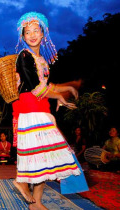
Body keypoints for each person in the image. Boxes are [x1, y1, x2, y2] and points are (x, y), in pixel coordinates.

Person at [11, 12, 87, 209]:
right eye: (27, 32)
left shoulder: (41, 60)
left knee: (44, 159)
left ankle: (36, 203)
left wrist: (65, 90)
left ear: (43, 34)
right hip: (30, 108)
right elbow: (34, 87)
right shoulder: (24, 56)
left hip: (41, 107)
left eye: (36, 30)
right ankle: (21, 181)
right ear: (23, 37)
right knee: (40, 154)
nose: (32, 34)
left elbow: (47, 86)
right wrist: (59, 95)